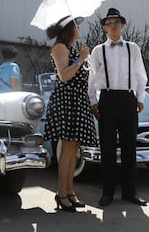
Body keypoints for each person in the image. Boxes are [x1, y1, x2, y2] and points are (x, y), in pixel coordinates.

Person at [88, 8, 148, 207]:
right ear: (105, 27)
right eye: (108, 22)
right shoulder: (98, 50)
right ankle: (107, 193)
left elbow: (141, 75)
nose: (112, 25)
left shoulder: (133, 48)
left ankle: (130, 192)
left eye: (115, 21)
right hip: (107, 99)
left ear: (122, 25)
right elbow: (92, 79)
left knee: (130, 145)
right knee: (107, 147)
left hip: (128, 100)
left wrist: (140, 98)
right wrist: (93, 102)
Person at [44, 15, 97, 212]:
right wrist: (82, 59)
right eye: (76, 25)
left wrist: (84, 58)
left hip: (79, 100)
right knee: (67, 149)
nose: (79, 28)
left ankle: (70, 191)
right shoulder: (60, 48)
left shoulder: (75, 49)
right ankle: (61, 193)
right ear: (68, 29)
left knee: (74, 148)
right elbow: (64, 76)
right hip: (67, 101)